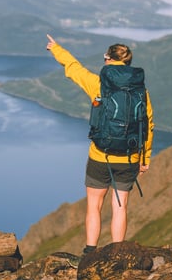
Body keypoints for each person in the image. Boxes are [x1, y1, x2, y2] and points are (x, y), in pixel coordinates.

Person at [46, 34, 153, 255]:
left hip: (100, 155)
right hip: (130, 156)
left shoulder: (99, 85)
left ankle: (90, 252)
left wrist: (56, 49)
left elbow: (74, 69)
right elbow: (148, 124)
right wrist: (145, 159)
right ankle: (116, 252)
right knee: (120, 206)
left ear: (108, 59)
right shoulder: (141, 91)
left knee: (94, 205)